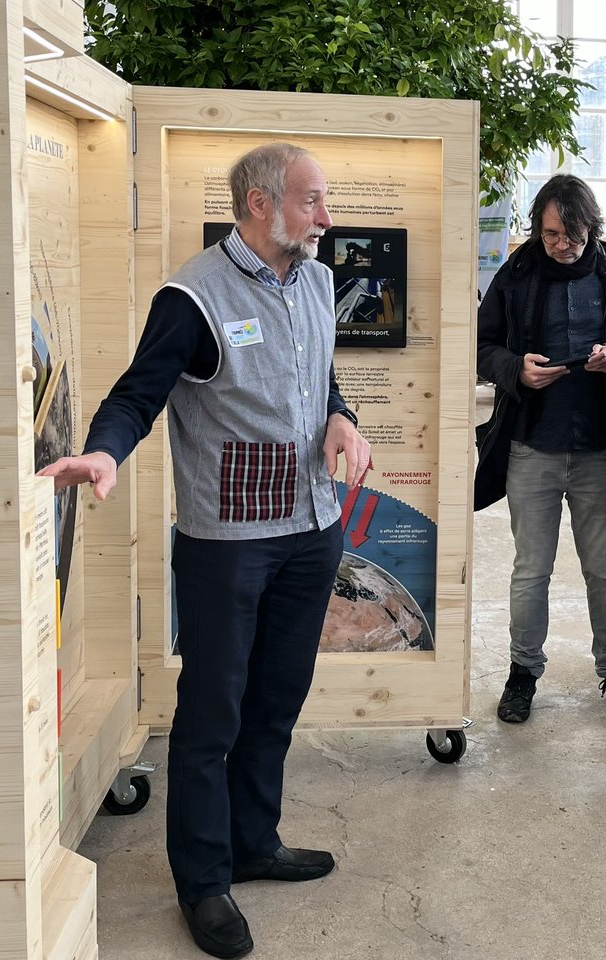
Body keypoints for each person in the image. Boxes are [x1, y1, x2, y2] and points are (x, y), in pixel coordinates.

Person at [38, 143, 372, 959]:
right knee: (212, 715)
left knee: (276, 701)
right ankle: (203, 880)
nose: (325, 220)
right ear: (259, 205)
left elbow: (319, 376)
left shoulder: (319, 282)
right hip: (228, 546)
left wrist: (343, 416)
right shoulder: (191, 297)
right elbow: (135, 395)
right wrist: (105, 453)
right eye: (311, 203)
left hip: (312, 530)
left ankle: (255, 841)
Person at [475, 174, 606, 727]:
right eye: (550, 234)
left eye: (570, 235)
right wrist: (514, 369)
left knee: (604, 568)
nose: (560, 245)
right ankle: (523, 673)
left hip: (602, 448)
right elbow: (482, 347)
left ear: (591, 228)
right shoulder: (518, 272)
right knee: (531, 569)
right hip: (533, 445)